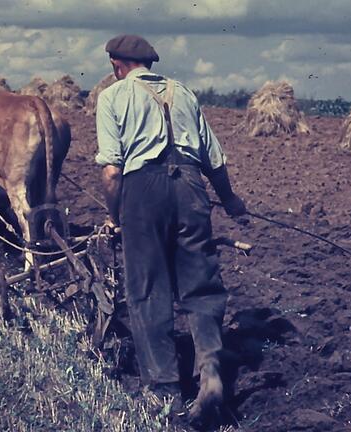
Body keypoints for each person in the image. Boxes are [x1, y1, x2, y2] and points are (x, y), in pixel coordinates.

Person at [94, 34, 248, 424]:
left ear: (116, 65)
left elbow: (112, 170)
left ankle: (163, 390)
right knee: (202, 283)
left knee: (148, 289)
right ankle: (210, 371)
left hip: (144, 191)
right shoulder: (184, 92)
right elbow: (214, 157)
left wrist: (116, 217)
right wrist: (229, 201)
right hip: (192, 187)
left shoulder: (112, 97)